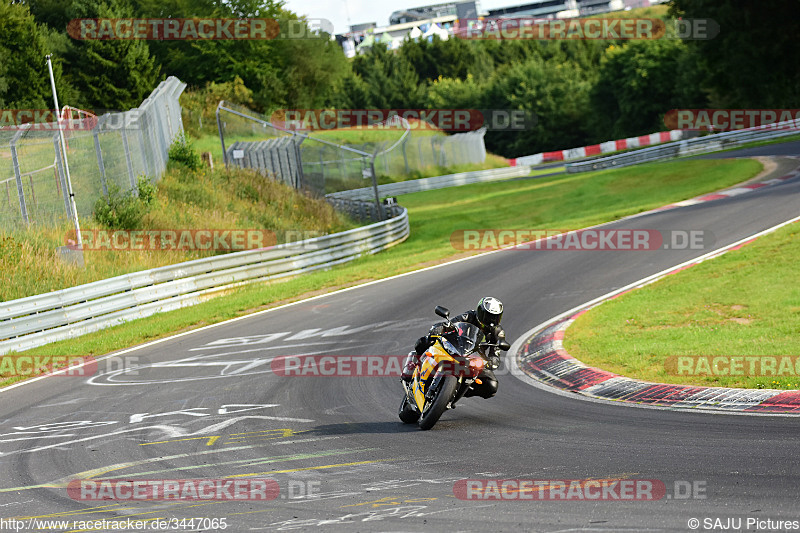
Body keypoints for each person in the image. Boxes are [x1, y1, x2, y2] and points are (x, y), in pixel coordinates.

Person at [401, 297, 506, 399]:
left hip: (475, 358)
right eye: (487, 316)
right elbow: (451, 324)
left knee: (492, 385)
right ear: (480, 312)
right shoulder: (469, 316)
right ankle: (412, 364)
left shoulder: (498, 332)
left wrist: (490, 362)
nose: (491, 320)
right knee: (426, 340)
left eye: (495, 317)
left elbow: (496, 353)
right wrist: (440, 328)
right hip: (457, 345)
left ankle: (458, 391)